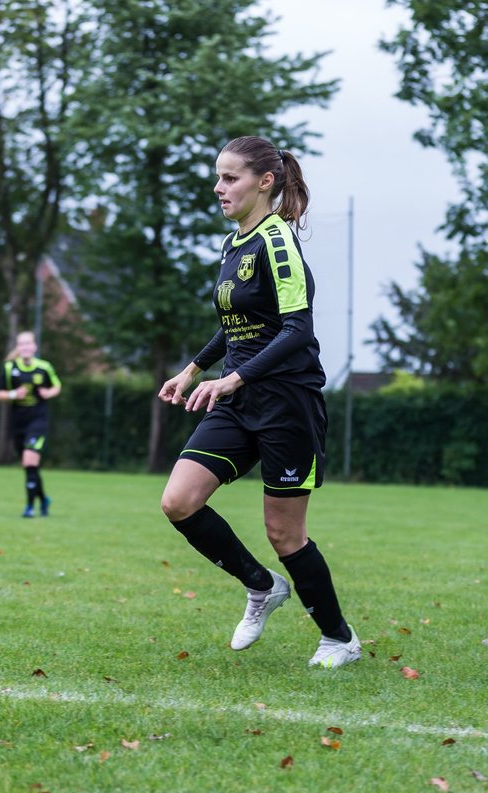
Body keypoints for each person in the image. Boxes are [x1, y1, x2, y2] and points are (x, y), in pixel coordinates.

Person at [157, 136, 359, 669]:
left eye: (230, 178)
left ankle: (340, 639)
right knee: (179, 501)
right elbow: (236, 326)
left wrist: (233, 379)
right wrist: (195, 368)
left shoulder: (278, 243)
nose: (218, 187)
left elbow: (296, 329)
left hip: (287, 401)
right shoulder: (233, 244)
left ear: (264, 182)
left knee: (283, 532)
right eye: (219, 177)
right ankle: (261, 586)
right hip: (238, 395)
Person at [0, 331, 61, 518]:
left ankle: (30, 507)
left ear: (34, 346)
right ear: (18, 347)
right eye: (21, 344)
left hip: (38, 420)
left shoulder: (44, 367)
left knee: (29, 460)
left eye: (28, 343)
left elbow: (57, 385)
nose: (25, 347)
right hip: (18, 422)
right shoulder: (9, 368)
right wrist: (14, 394)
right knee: (30, 466)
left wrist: (49, 393)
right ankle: (43, 499)